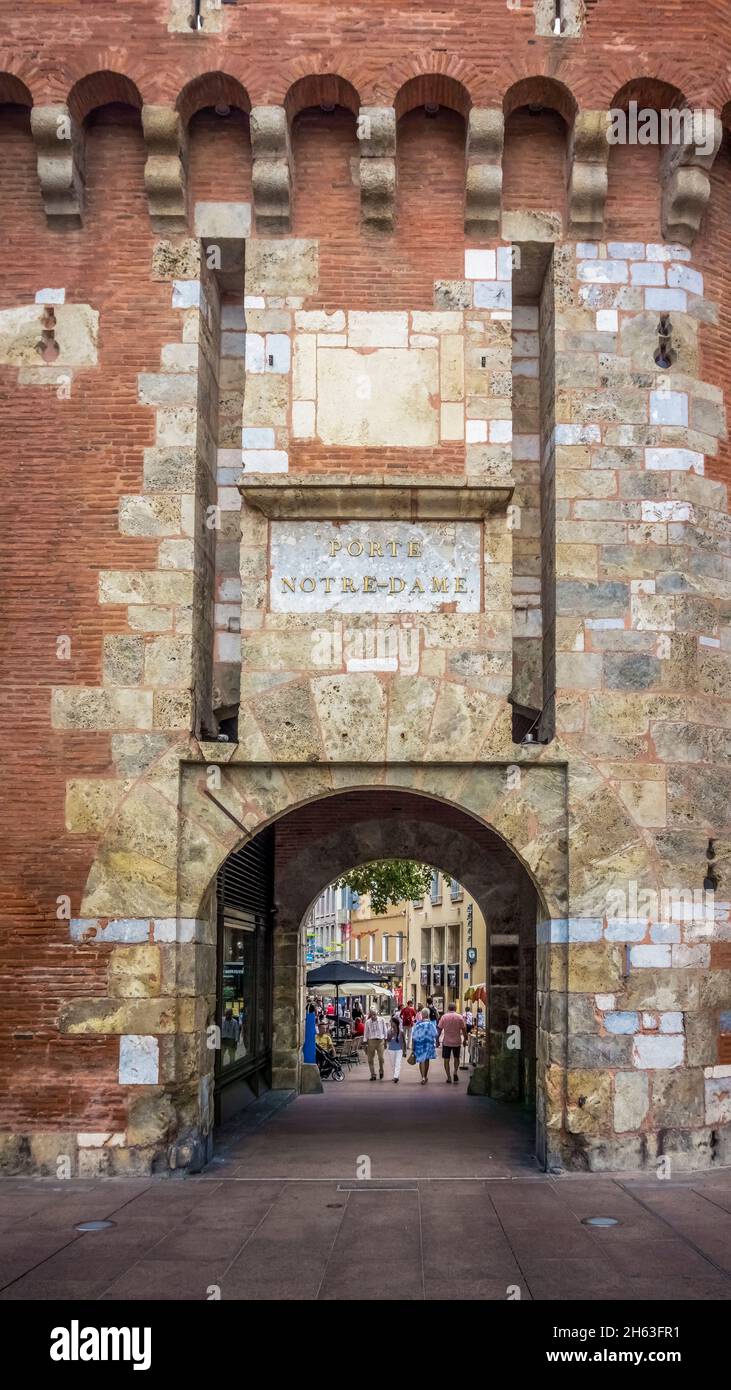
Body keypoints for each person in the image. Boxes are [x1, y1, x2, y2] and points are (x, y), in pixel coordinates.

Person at [438, 1002, 467, 1083]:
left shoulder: (444, 1017)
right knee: (456, 1058)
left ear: (448, 1008)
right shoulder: (460, 1017)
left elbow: (439, 1029)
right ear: (455, 1008)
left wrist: (437, 1039)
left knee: (446, 1059)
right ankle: (455, 1072)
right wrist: (465, 1039)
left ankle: (449, 1077)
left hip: (446, 1041)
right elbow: (464, 1029)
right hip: (457, 1041)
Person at [411, 1007, 438, 1085]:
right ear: (428, 1015)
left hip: (419, 1044)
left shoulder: (418, 1024)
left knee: (421, 1060)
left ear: (422, 1015)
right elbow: (435, 1034)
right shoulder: (430, 1024)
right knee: (426, 1060)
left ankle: (423, 1077)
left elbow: (414, 1036)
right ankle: (425, 1076)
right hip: (428, 1044)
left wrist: (413, 1046)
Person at [364, 1007, 388, 1080]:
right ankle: (373, 1074)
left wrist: (386, 1041)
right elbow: (366, 1033)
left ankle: (381, 1070)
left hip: (380, 1041)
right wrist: (365, 1043)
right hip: (371, 1041)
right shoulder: (367, 1022)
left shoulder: (382, 1020)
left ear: (377, 1013)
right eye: (372, 1014)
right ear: (370, 1014)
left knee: (381, 1058)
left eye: (374, 1014)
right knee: (370, 1059)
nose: (373, 1016)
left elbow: (385, 1030)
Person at [386, 1014, 405, 1083]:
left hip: (399, 1050)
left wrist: (404, 1051)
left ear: (395, 1023)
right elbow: (388, 1040)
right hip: (391, 1050)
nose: (390, 1023)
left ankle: (396, 1076)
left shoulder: (401, 1031)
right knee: (393, 1064)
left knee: (398, 1063)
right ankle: (395, 1075)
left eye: (391, 1022)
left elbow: (404, 1042)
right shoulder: (389, 1031)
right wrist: (391, 1034)